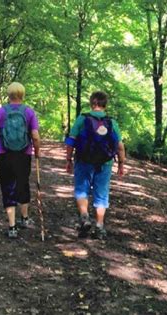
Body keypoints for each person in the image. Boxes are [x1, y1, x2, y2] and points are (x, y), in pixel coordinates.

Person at [65, 91, 126, 239]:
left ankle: (85, 216)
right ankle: (99, 226)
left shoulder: (82, 119)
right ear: (105, 105)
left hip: (83, 160)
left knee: (81, 189)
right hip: (105, 163)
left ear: (92, 103)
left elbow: (70, 141)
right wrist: (121, 164)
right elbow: (120, 146)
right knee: (102, 193)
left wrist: (68, 160)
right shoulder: (112, 122)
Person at [0, 82, 40, 239]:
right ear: (22, 95)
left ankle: (12, 226)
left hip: (4, 153)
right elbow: (35, 136)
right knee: (22, 183)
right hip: (24, 154)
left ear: (8, 95)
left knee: (7, 186)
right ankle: (24, 218)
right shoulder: (29, 112)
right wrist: (37, 151)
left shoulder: (0, 112)